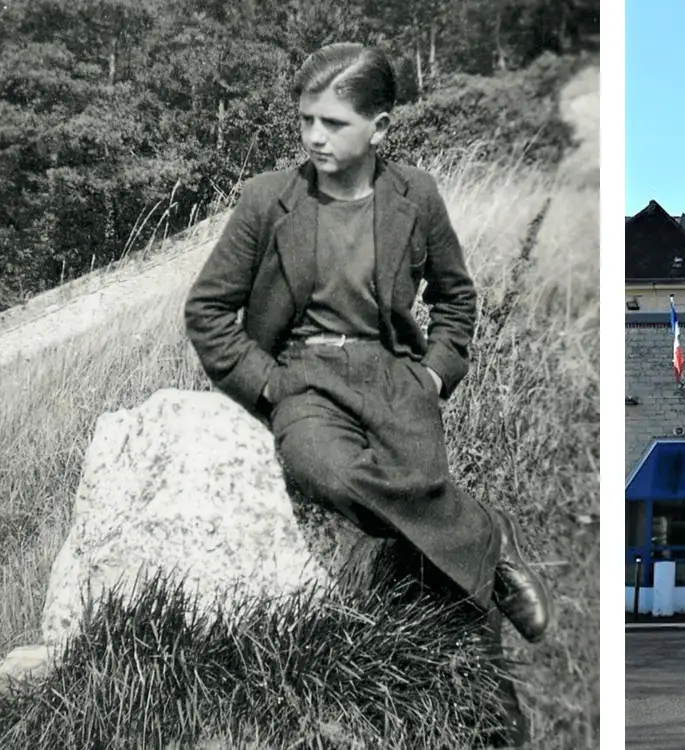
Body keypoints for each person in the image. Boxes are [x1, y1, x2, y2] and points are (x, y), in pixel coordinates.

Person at [183, 42, 549, 747]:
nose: (315, 137)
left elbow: (456, 299)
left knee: (431, 547)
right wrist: (267, 382)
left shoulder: (416, 196)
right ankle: (486, 539)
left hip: (394, 378)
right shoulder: (267, 201)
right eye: (305, 120)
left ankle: (497, 717)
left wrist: (435, 374)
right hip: (305, 377)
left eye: (333, 122)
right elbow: (207, 312)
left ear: (379, 128)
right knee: (328, 469)